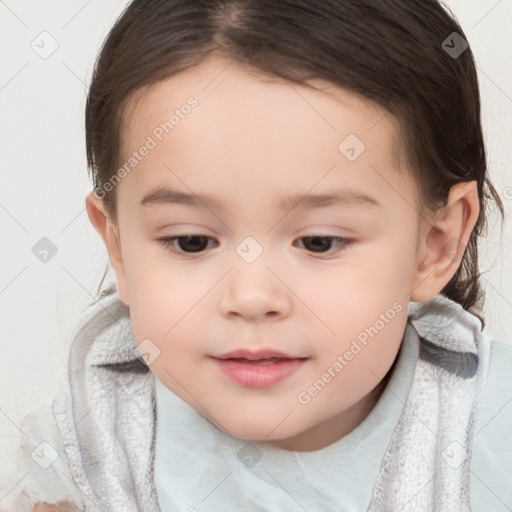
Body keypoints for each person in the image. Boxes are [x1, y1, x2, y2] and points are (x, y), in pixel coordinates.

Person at [1, 0, 511, 510]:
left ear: (434, 245)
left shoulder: (489, 435)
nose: (251, 298)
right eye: (191, 241)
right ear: (119, 247)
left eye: (319, 242)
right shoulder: (86, 450)